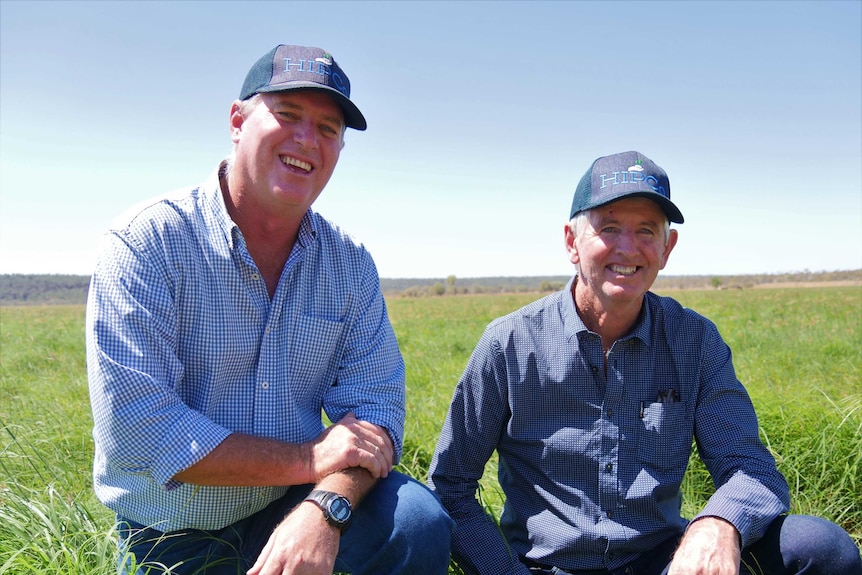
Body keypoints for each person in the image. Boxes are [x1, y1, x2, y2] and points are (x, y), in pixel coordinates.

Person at [86, 44, 452, 575]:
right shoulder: (146, 244)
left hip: (294, 503)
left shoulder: (347, 264)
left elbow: (377, 412)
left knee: (417, 521)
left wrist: (323, 508)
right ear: (238, 121)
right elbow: (141, 432)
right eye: (288, 114)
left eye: (328, 129)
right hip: (172, 532)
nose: (307, 139)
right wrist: (308, 459)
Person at [428, 150, 861, 575]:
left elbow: (749, 467)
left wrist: (719, 524)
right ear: (571, 243)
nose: (628, 248)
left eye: (647, 231)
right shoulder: (510, 343)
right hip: (545, 566)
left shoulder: (694, 341)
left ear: (667, 247)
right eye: (610, 227)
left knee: (822, 549)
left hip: (663, 563)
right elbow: (451, 485)